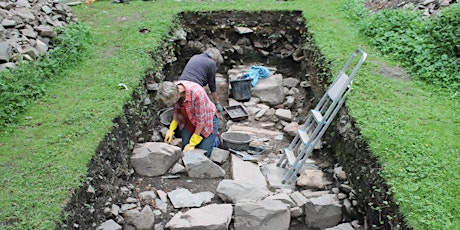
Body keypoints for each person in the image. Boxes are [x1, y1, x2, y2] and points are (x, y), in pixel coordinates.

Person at [158, 80, 218, 157]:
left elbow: (201, 122)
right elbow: (176, 111)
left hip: (207, 121)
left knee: (203, 153)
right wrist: (171, 129)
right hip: (189, 120)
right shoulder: (172, 90)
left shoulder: (197, 94)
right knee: (185, 150)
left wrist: (193, 142)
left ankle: (215, 140)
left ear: (177, 95)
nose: (172, 104)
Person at [179, 47, 224, 112]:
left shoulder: (195, 57)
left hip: (181, 83)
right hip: (193, 87)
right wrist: (217, 103)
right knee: (199, 109)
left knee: (184, 106)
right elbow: (212, 85)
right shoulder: (211, 63)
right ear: (215, 58)